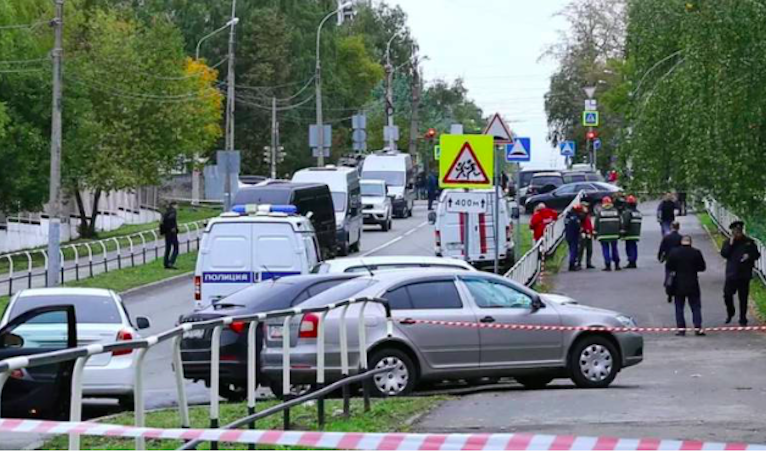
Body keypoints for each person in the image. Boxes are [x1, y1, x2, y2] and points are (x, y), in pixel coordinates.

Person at [721, 221, 761, 326]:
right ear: (732, 232)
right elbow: (724, 254)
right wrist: (730, 244)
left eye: (739, 231)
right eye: (735, 231)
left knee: (743, 297)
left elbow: (756, 254)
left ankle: (743, 318)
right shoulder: (728, 242)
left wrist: (749, 256)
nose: (737, 233)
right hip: (732, 274)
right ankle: (730, 312)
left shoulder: (749, 242)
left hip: (744, 274)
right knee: (727, 294)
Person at [666, 235, 707, 336]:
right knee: (695, 306)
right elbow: (702, 267)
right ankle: (697, 327)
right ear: (690, 242)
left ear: (681, 242)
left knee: (679, 307)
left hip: (678, 283)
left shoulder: (674, 252)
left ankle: (681, 329)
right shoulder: (696, 252)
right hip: (693, 282)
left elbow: (669, 266)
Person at [658, 221, 684, 303]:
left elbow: (662, 248)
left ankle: (668, 286)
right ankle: (679, 289)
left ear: (671, 227)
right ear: (678, 228)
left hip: (669, 258)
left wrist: (660, 257)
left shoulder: (667, 237)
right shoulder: (681, 237)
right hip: (679, 259)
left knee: (668, 273)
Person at [595, 196, 622, 271]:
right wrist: (620, 231)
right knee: (614, 249)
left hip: (603, 235)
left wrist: (595, 233)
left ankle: (608, 265)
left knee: (605, 249)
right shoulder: (615, 211)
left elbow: (596, 223)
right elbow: (620, 222)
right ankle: (617, 265)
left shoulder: (600, 212)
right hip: (614, 234)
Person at [621, 195, 642, 269]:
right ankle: (634, 261)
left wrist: (622, 231)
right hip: (636, 233)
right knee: (634, 247)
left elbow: (625, 222)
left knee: (629, 247)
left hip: (629, 233)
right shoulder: (638, 212)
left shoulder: (627, 212)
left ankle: (631, 261)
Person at [161, 201, 179, 269]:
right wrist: (174, 228)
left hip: (166, 232)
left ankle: (166, 263)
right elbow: (172, 221)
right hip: (172, 232)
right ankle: (171, 262)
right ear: (174, 205)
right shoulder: (173, 212)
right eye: (177, 205)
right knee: (176, 248)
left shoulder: (166, 212)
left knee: (168, 248)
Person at [577, 202, 595, 269]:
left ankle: (588, 263)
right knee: (581, 249)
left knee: (589, 249)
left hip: (589, 234)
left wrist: (591, 232)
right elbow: (582, 219)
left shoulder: (587, 215)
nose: (587, 208)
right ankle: (579, 263)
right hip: (583, 233)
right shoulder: (581, 214)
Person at [565, 205, 582, 271]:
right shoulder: (575, 218)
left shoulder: (567, 217)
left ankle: (572, 264)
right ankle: (572, 265)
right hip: (574, 236)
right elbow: (577, 227)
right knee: (574, 251)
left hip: (568, 235)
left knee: (571, 250)